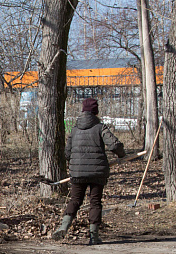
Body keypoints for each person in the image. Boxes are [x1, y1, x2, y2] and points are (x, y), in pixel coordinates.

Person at [53, 98, 125, 245]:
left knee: (75, 200)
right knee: (95, 202)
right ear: (95, 112)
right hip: (97, 172)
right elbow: (114, 145)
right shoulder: (100, 127)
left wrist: (76, 164)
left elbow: (67, 153)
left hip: (77, 172)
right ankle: (94, 236)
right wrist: (122, 155)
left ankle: (64, 226)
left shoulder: (74, 129)